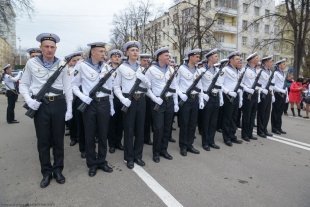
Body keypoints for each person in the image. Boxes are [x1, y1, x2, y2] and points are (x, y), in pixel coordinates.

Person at [20, 33, 73, 188]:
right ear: (41, 48)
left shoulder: (62, 64)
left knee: (58, 140)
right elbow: (23, 84)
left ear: (56, 48)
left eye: (52, 47)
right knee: (43, 141)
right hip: (41, 105)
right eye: (46, 47)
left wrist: (69, 108)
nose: (49, 50)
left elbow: (68, 87)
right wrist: (29, 100)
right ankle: (46, 172)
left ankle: (58, 170)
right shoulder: (31, 64)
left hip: (58, 104)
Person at [72, 42, 114, 177]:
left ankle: (102, 161)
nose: (104, 54)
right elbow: (73, 85)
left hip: (104, 103)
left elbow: (110, 89)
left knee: (103, 134)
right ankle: (92, 164)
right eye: (101, 51)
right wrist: (83, 97)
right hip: (89, 104)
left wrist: (111, 106)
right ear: (93, 52)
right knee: (89, 135)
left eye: (104, 51)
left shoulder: (107, 67)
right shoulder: (82, 66)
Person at [113, 41, 151, 169]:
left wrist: (145, 80)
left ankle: (137, 156)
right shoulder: (121, 68)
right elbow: (116, 87)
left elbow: (149, 86)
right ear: (127, 52)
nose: (135, 52)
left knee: (140, 129)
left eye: (137, 50)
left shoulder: (142, 68)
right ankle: (128, 157)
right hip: (128, 101)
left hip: (141, 100)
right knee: (129, 130)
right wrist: (122, 99)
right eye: (132, 50)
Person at [145, 47, 178, 163]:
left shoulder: (171, 70)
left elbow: (174, 87)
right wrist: (154, 98)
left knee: (167, 128)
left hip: (169, 102)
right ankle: (156, 152)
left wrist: (176, 102)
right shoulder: (151, 70)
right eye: (166, 56)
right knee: (158, 128)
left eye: (169, 56)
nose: (169, 58)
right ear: (159, 57)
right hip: (158, 103)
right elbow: (146, 88)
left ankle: (164, 150)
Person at [176, 49, 204, 156]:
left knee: (193, 124)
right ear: (190, 57)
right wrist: (180, 94)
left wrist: (201, 99)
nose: (198, 59)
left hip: (195, 99)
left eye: (198, 57)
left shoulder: (198, 70)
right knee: (184, 123)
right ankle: (183, 146)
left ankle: (190, 144)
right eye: (196, 57)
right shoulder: (181, 69)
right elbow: (176, 84)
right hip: (185, 99)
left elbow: (200, 86)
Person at [199, 48, 223, 151]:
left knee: (214, 121)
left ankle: (211, 141)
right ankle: (205, 142)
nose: (217, 58)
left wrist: (221, 97)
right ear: (210, 58)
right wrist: (201, 97)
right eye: (215, 56)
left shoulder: (218, 71)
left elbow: (220, 85)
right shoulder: (201, 70)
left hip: (215, 97)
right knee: (206, 121)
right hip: (206, 97)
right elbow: (198, 85)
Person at [221, 51, 243, 146]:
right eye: (237, 59)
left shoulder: (238, 71)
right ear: (231, 60)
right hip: (228, 96)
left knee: (234, 117)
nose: (239, 61)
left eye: (239, 59)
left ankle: (232, 135)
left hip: (236, 96)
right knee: (227, 118)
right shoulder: (225, 70)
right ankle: (226, 138)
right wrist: (228, 92)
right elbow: (220, 84)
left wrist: (240, 98)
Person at [64, 52, 84, 147]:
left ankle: (81, 138)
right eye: (74, 60)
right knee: (72, 120)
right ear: (69, 62)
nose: (76, 62)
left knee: (81, 119)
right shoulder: (68, 70)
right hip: (71, 96)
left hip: (81, 95)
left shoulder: (84, 68)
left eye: (78, 60)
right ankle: (73, 137)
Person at [107, 49, 124, 153]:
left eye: (118, 56)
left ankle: (118, 142)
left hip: (121, 96)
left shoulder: (123, 69)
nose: (117, 58)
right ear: (111, 58)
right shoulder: (107, 69)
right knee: (111, 122)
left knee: (120, 121)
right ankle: (112, 144)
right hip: (110, 96)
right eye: (114, 56)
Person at [240, 52, 260, 142]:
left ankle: (250, 133)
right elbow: (240, 82)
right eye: (256, 58)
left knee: (252, 115)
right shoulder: (244, 70)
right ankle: (244, 134)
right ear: (251, 60)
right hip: (248, 94)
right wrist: (247, 89)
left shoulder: (255, 70)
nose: (258, 59)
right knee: (247, 115)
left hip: (255, 94)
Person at [256, 56, 274, 138]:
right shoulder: (260, 71)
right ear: (266, 62)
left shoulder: (270, 72)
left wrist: (272, 94)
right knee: (261, 113)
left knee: (267, 113)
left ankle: (265, 129)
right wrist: (262, 90)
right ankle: (260, 130)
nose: (272, 63)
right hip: (262, 94)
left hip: (269, 94)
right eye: (270, 61)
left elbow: (272, 84)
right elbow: (256, 83)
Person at [139, 53, 153, 146]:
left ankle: (147, 138)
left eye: (148, 60)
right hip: (141, 96)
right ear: (140, 61)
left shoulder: (151, 70)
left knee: (148, 119)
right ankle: (139, 136)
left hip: (150, 97)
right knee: (140, 120)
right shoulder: (138, 70)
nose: (146, 62)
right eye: (144, 60)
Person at [271, 59, 288, 135]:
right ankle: (274, 128)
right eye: (283, 64)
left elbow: (285, 85)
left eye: (285, 64)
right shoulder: (275, 73)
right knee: (275, 112)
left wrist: (287, 95)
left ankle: (279, 127)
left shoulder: (283, 74)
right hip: (277, 94)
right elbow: (273, 85)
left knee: (280, 112)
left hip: (283, 94)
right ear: (279, 65)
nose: (285, 65)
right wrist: (281, 91)